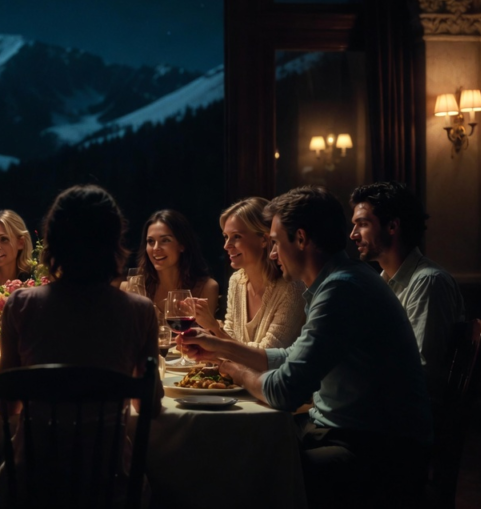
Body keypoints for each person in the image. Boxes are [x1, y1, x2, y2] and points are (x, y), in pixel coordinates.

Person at [181, 186, 431, 508]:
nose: (272, 254)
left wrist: (236, 371)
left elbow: (286, 391)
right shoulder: (337, 281)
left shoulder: (342, 290)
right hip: (342, 430)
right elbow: (289, 356)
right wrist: (221, 348)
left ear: (300, 239)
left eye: (275, 243)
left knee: (242, 468)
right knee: (240, 446)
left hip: (377, 450)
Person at [0, 185, 163, 502]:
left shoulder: (21, 304)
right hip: (112, 486)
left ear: (52, 241)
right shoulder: (140, 312)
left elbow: (7, 408)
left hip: (30, 486)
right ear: (114, 242)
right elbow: (150, 406)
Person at [350, 181, 465, 403]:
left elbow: (420, 371)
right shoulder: (381, 284)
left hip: (404, 422)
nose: (353, 235)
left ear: (392, 226)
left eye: (362, 224)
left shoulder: (429, 282)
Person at [198, 197, 305, 348]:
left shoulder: (292, 288)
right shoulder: (237, 280)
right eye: (226, 237)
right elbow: (231, 334)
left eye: (236, 237)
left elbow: (267, 354)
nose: (226, 246)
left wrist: (214, 328)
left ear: (264, 239)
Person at [136, 209, 219, 324]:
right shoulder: (135, 288)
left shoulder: (206, 288)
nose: (155, 248)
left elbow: (207, 335)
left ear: (182, 245)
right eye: (150, 241)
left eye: (165, 240)